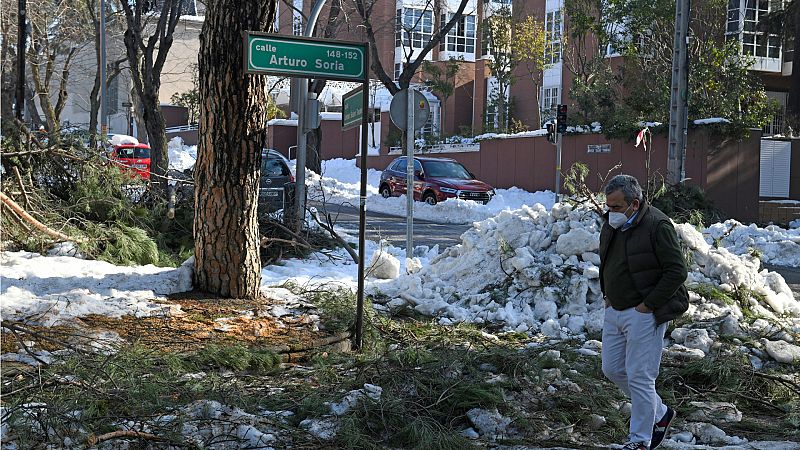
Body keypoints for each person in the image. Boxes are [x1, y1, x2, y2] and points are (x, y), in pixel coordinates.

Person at [599, 174, 689, 450]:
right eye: (608, 206)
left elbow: (677, 271)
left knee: (640, 375)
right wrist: (607, 294)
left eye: (615, 207)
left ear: (634, 204)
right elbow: (609, 260)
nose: (609, 212)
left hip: (643, 312)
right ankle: (661, 414)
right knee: (612, 368)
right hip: (615, 308)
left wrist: (647, 305)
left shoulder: (657, 225)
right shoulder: (613, 223)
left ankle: (640, 440)